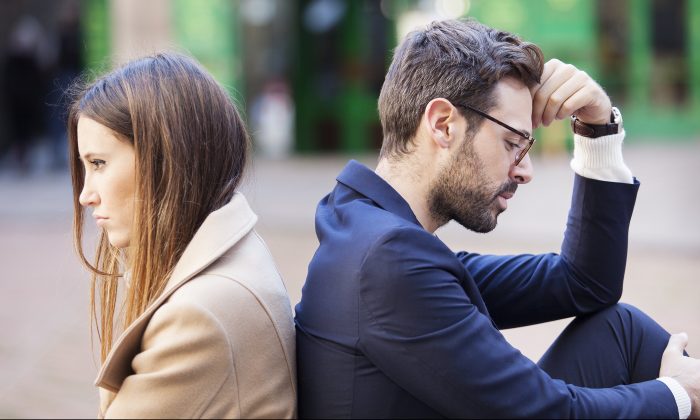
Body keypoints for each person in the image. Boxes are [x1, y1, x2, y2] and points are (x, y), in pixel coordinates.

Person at [295, 19, 700, 418]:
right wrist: (679, 394)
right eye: (512, 143)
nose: (525, 171)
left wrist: (597, 129)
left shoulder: (374, 234)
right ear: (443, 125)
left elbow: (585, 284)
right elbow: (546, 412)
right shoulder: (388, 261)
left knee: (620, 330)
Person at [68, 53, 296, 418]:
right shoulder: (232, 252)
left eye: (99, 164)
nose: (85, 194)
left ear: (165, 158)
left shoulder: (199, 315)